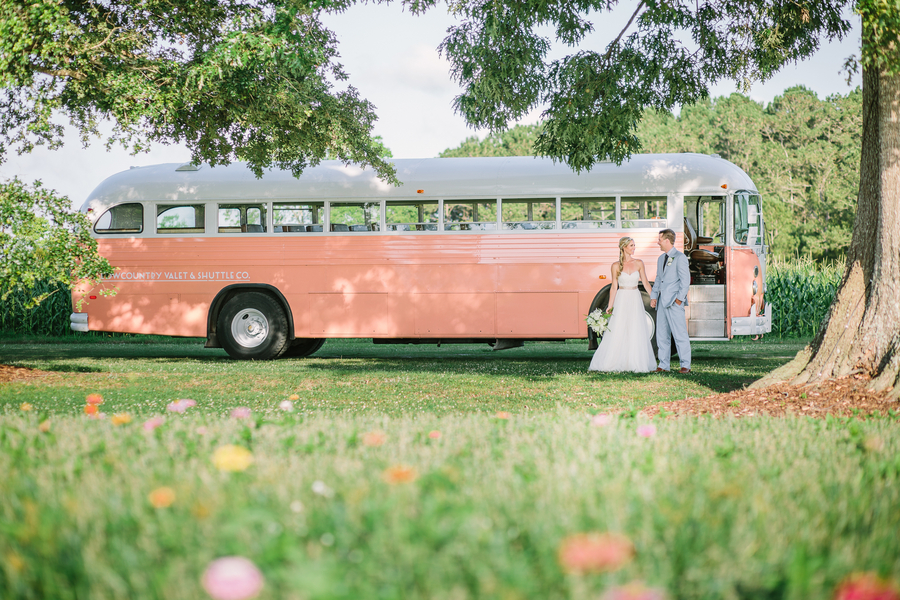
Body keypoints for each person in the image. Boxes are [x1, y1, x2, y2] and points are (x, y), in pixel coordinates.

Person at [589, 237, 657, 372]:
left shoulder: (639, 263)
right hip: (622, 297)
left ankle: (635, 362)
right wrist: (610, 305)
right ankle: (615, 361)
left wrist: (653, 297)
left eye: (634, 245)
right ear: (624, 247)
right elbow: (614, 287)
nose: (634, 248)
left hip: (634, 297)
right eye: (631, 245)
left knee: (635, 328)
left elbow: (645, 283)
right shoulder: (615, 265)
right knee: (619, 328)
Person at [650, 229, 692, 373]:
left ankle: (685, 365)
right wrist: (653, 296)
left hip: (674, 302)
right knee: (662, 335)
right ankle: (663, 365)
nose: (658, 242)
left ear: (667, 240)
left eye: (659, 239)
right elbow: (658, 278)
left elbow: (685, 281)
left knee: (680, 334)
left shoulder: (680, 258)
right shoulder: (661, 259)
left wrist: (679, 299)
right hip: (661, 302)